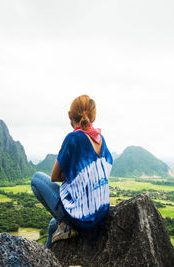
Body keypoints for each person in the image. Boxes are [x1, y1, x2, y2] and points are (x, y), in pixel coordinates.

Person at [31, 95, 113, 249]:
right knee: (51, 227)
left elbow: (54, 176)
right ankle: (49, 255)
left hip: (83, 219)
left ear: (70, 115)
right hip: (100, 215)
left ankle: (65, 224)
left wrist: (70, 174)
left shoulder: (73, 138)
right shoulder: (101, 139)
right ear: (93, 116)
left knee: (36, 179)